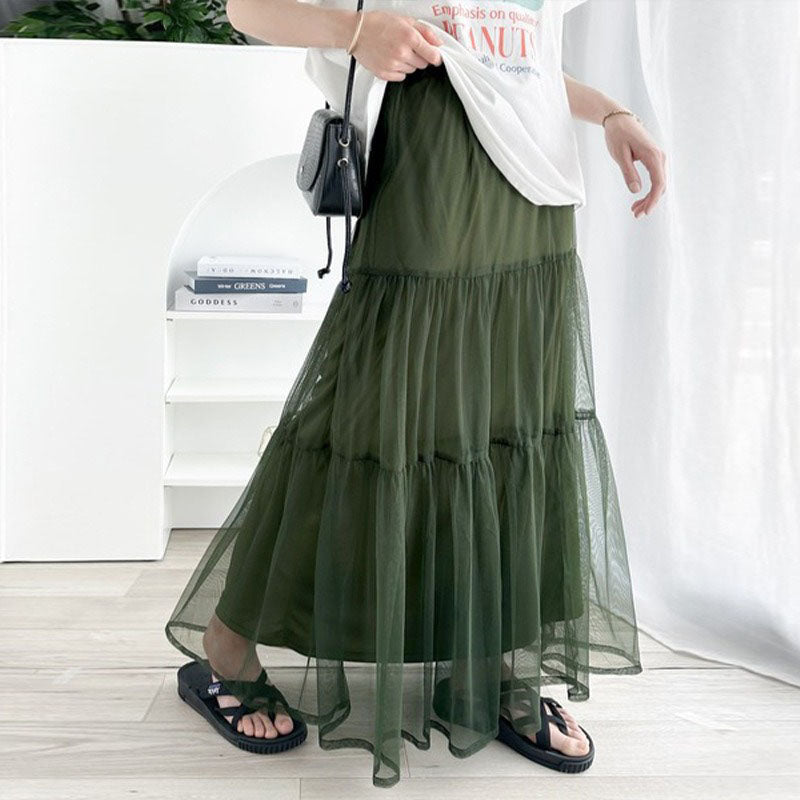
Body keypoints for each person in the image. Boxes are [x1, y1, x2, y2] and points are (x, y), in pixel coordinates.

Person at [166, 0, 664, 789]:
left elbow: (511, 56)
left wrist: (610, 111)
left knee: (510, 421)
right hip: (431, 160)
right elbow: (247, 6)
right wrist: (357, 31)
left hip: (537, 192)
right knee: (367, 417)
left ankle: (491, 663)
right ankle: (226, 646)